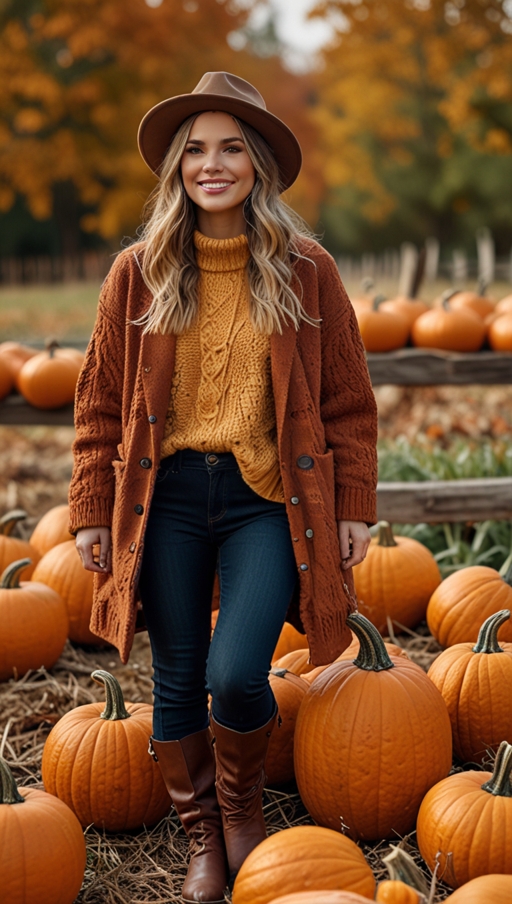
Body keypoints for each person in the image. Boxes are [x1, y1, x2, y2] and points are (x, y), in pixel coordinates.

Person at [69, 72, 378, 904]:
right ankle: (203, 834)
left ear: (258, 166)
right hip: (164, 498)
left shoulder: (306, 271)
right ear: (177, 167)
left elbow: (349, 402)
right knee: (177, 673)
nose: (213, 164)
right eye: (196, 150)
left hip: (264, 500)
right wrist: (91, 510)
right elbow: (99, 402)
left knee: (238, 671)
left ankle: (242, 811)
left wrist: (353, 506)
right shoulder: (138, 274)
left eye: (232, 148)